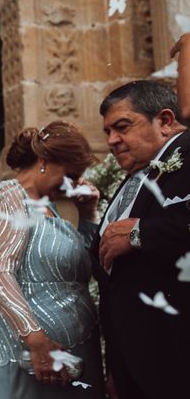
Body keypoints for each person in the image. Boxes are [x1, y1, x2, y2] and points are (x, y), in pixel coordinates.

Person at [0, 121, 104, 399]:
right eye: (70, 174)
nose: (74, 183)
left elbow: (87, 268)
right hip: (27, 354)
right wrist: (36, 340)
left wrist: (90, 214)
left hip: (74, 353)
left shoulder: (52, 207)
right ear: (44, 161)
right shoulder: (9, 196)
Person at [94, 78, 190, 399]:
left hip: (178, 351)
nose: (112, 140)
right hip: (133, 363)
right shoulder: (134, 177)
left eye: (122, 126)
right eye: (108, 131)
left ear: (164, 121)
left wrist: (140, 233)